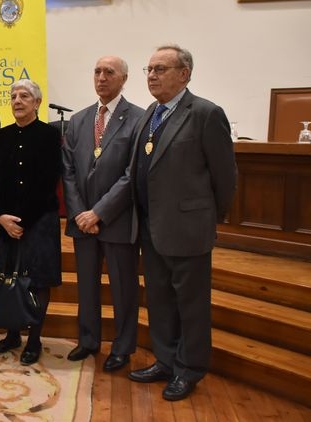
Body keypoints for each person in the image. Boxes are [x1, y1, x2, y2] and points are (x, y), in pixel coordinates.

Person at [128, 44, 236, 401]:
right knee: (159, 301)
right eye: (149, 69)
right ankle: (165, 360)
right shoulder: (150, 113)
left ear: (184, 74)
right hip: (151, 227)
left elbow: (225, 175)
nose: (152, 75)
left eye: (161, 69)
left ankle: (189, 369)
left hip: (188, 229)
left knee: (190, 304)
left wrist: (206, 218)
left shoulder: (205, 113)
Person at [62, 56, 144, 372]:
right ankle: (88, 340)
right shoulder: (80, 120)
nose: (101, 77)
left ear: (124, 78)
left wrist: (99, 212)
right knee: (86, 286)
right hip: (83, 222)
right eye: (97, 71)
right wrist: (81, 212)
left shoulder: (138, 118)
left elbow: (131, 173)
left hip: (117, 220)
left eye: (109, 72)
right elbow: (67, 171)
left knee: (123, 289)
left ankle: (122, 348)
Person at [0, 80, 62, 366]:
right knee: (6, 277)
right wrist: (0, 217)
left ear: (37, 102)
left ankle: (35, 339)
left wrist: (23, 221)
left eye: (24, 96)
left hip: (39, 222)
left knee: (37, 280)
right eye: (13, 96)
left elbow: (47, 183)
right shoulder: (0, 136)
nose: (17, 100)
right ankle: (12, 334)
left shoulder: (49, 136)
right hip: (5, 223)